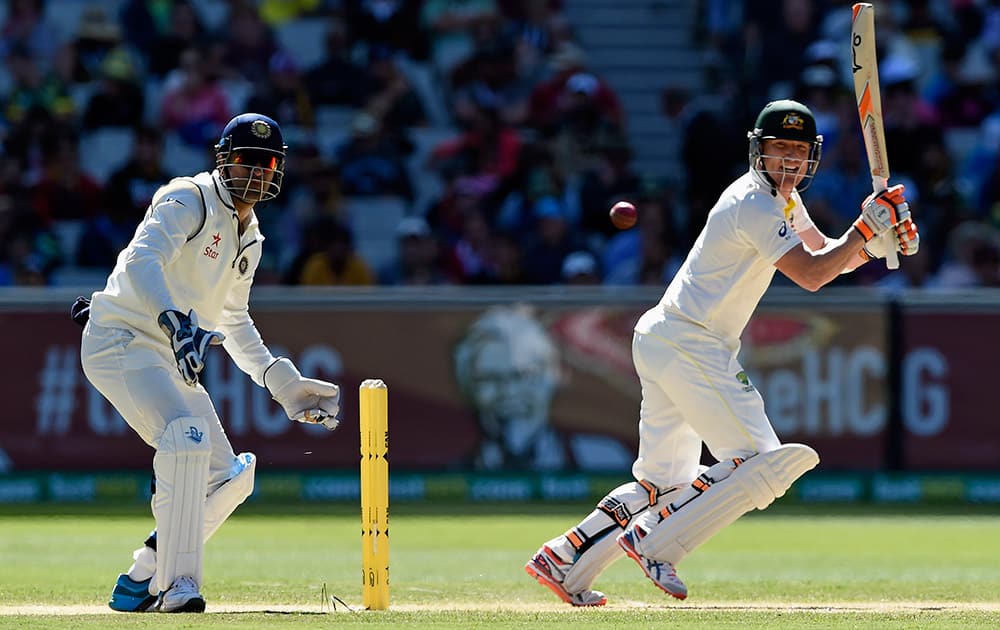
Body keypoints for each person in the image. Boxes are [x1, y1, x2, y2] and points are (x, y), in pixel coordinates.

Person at [524, 99, 920, 606]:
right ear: (758, 150)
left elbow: (825, 256)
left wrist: (871, 241)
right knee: (759, 461)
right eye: (779, 150)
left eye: (798, 152)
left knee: (663, 482)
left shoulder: (783, 202)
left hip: (666, 336)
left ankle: (564, 558)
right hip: (691, 341)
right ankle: (652, 539)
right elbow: (814, 277)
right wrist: (868, 227)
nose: (789, 162)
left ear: (811, 158)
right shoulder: (754, 203)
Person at [77, 113, 341, 613]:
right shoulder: (188, 198)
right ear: (224, 161)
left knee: (231, 477)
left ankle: (144, 573)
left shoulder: (252, 238)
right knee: (184, 439)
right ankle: (179, 588)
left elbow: (234, 319)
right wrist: (175, 322)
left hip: (173, 352)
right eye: (247, 162)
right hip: (122, 339)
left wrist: (283, 385)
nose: (258, 174)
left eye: (268, 164)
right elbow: (141, 260)